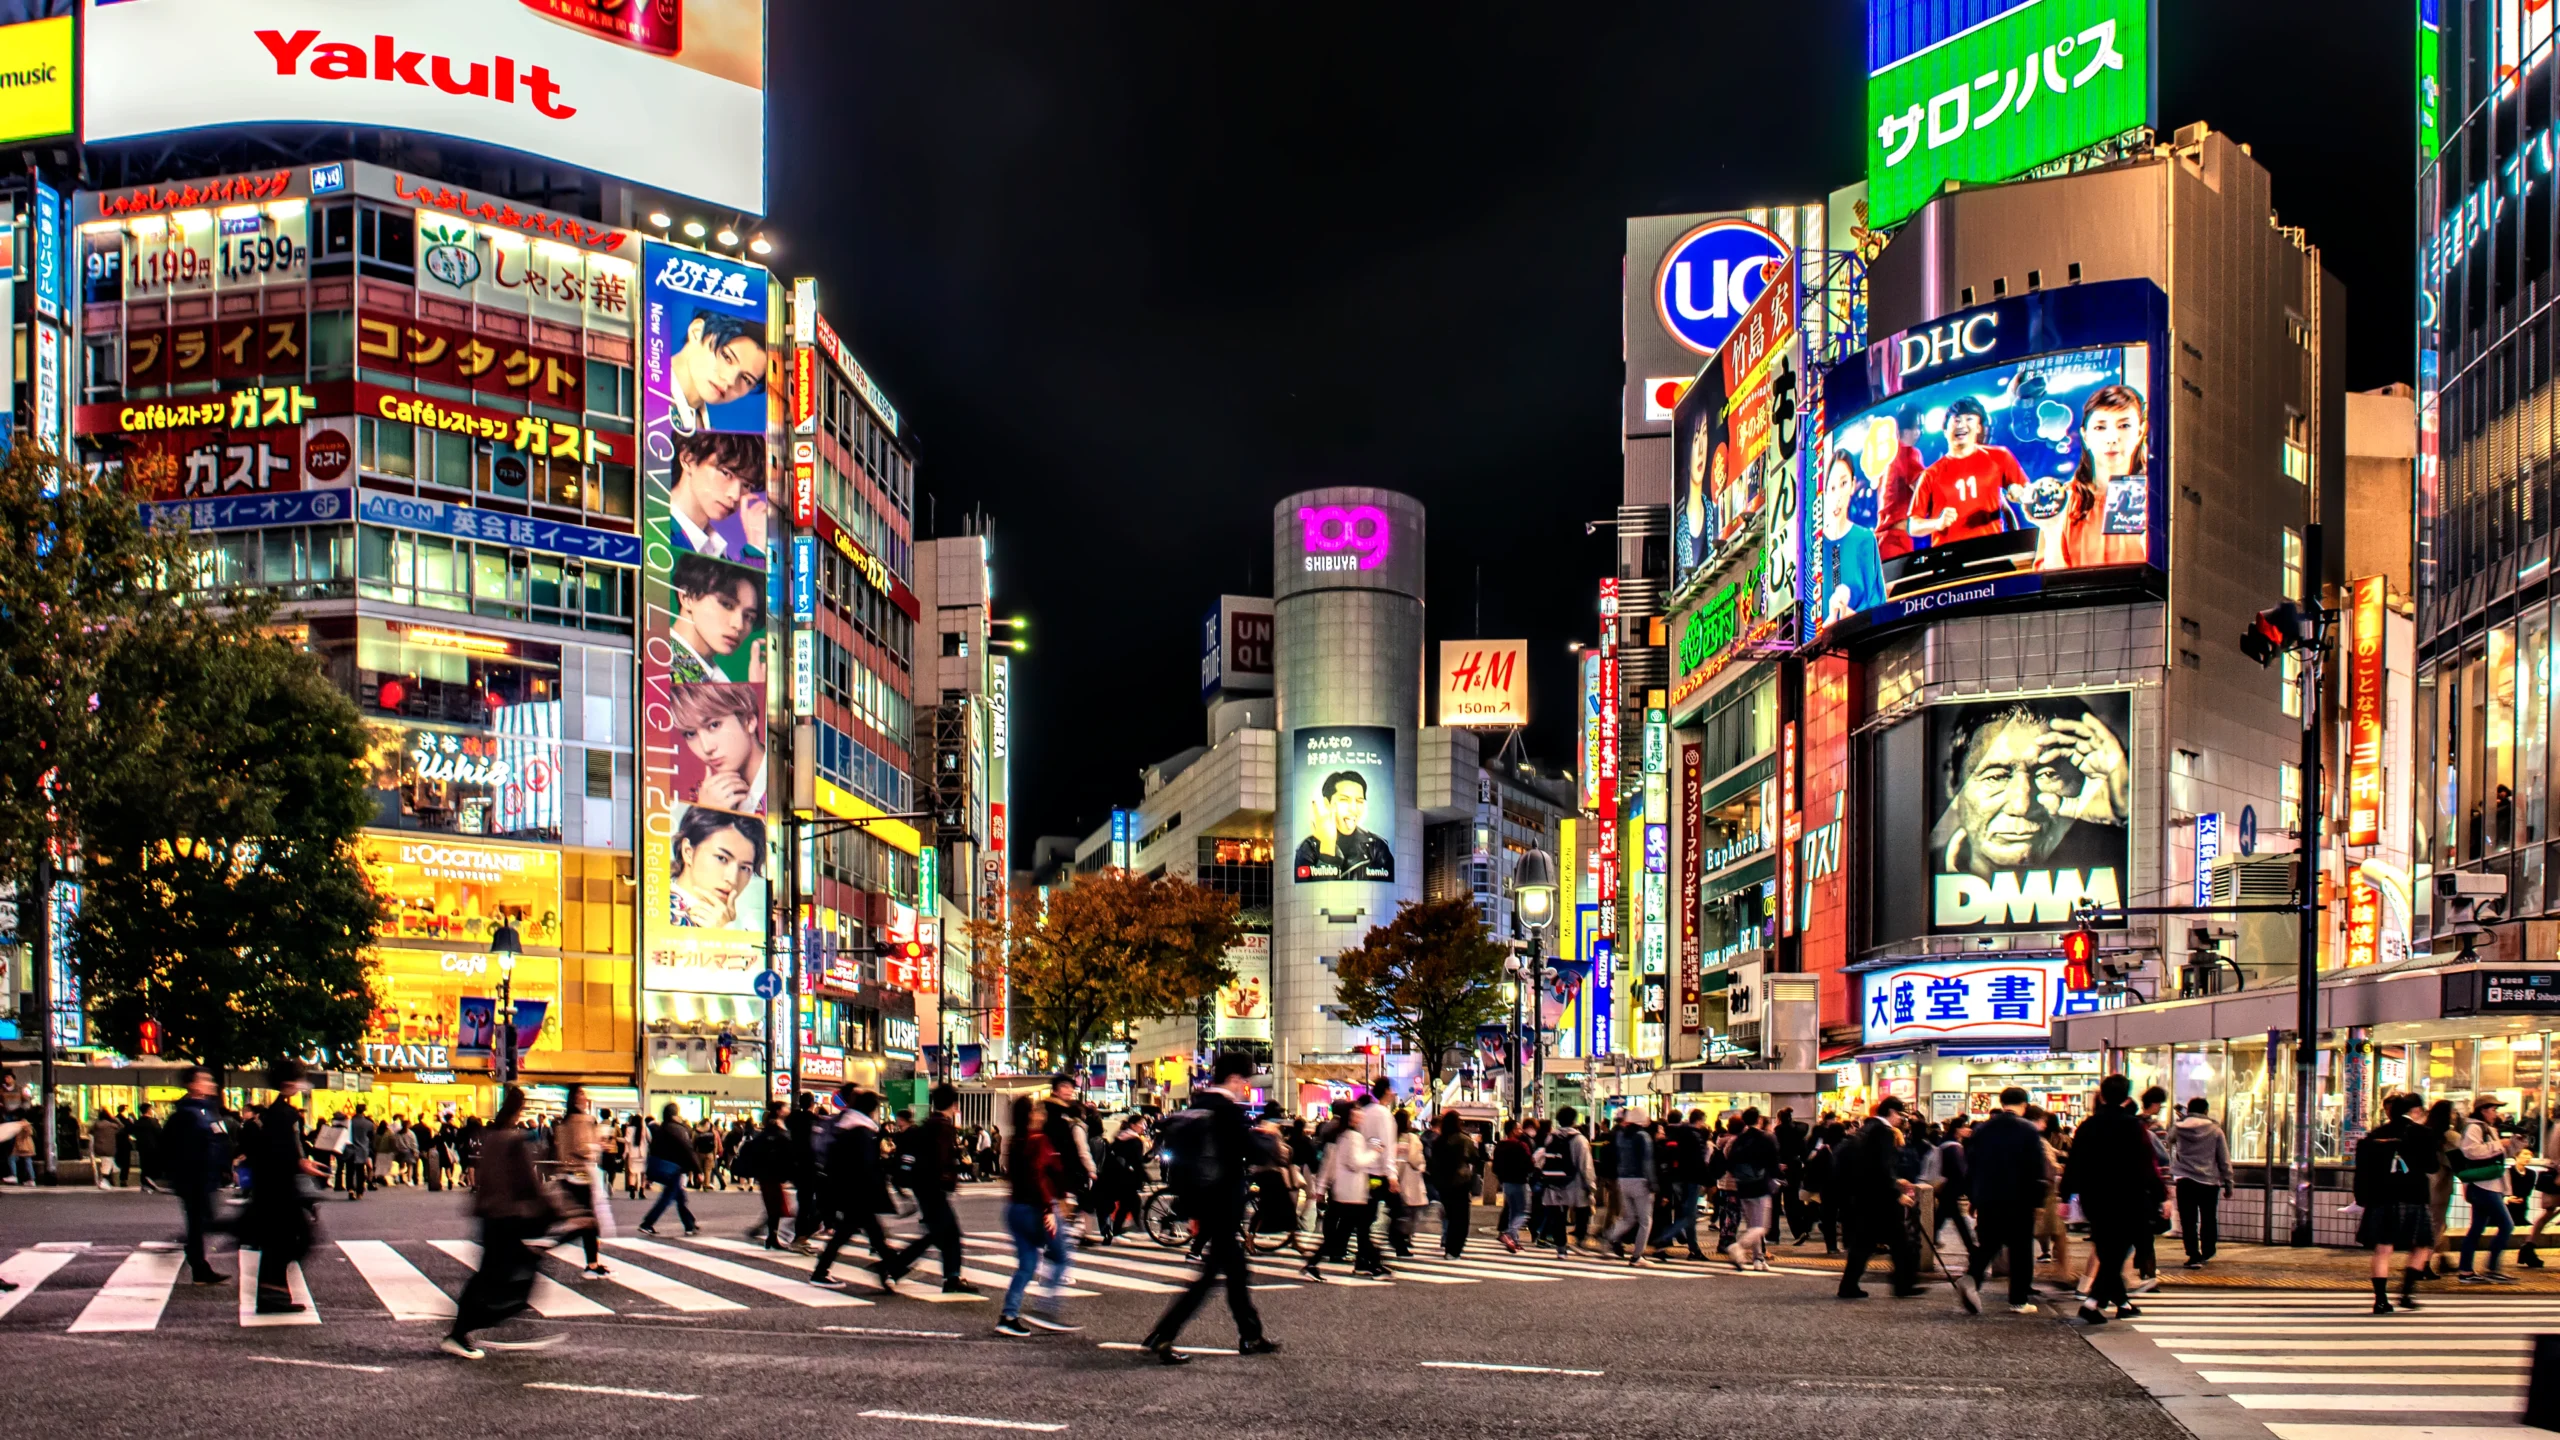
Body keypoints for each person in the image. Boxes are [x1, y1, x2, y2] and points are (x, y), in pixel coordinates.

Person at [1138, 1050, 1281, 1364]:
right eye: (1245, 1080)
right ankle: (1164, 1334)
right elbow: (1250, 1150)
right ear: (1233, 1078)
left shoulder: (1198, 1104)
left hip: (1202, 1199)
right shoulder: (1225, 1110)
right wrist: (1269, 1139)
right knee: (1212, 1276)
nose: (1246, 1086)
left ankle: (1250, 1334)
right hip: (1223, 1200)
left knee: (1234, 1271)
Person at [1933, 700, 2131, 882]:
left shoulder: (2124, 864)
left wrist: (2128, 815)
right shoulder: (1912, 884)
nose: (2022, 806)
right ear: (1953, 783)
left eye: (2049, 774)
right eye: (1996, 777)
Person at [441, 1086, 564, 1360]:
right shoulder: (513, 1141)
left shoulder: (492, 1138)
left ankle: (460, 1330)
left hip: (490, 1216)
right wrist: (553, 1209)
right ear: (519, 1110)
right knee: (514, 1275)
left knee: (488, 1274)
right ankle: (464, 1329)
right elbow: (528, 1183)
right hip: (509, 1218)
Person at [2060, 1074, 2166, 1325]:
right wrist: (2161, 1195)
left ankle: (2123, 1303)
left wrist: (2066, 1195)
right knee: (2118, 1251)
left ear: (2102, 1096)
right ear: (2127, 1097)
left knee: (2108, 1250)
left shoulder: (2088, 1125)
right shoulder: (2133, 1126)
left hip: (2094, 1197)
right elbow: (2146, 1164)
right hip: (2127, 1196)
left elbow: (2075, 1163)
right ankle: (2092, 1301)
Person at [2036, 384, 2150, 571]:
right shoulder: (2062, 500)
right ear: (2085, 436)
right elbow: (2051, 583)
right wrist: (2052, 531)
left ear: (2140, 432)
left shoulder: (2157, 497)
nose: (2112, 438)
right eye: (2100, 427)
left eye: (2124, 426)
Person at [1957, 1087, 2049, 1316]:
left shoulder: (1983, 1129)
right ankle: (2018, 1299)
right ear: (2024, 1105)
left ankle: (1972, 1278)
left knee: (1989, 1243)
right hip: (2019, 1197)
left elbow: (1971, 1165)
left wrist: (1973, 1197)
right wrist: (2038, 1200)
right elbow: (2035, 1166)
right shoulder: (2027, 1129)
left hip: (1988, 1196)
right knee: (2020, 1248)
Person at [245, 1059, 326, 1315]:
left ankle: (272, 1294)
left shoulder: (274, 1113)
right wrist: (301, 1164)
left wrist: (301, 1161)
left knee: (279, 1241)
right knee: (295, 1239)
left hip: (272, 1187)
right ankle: (272, 1294)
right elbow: (282, 1152)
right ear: (289, 1083)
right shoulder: (286, 1115)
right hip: (280, 1189)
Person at [995, 1095, 1079, 1338]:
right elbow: (1042, 1176)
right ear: (1030, 1115)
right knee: (1061, 1257)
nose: (1042, 1116)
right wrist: (1049, 1210)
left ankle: (1008, 1315)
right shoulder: (1039, 1141)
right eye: (1038, 1112)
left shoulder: (1014, 1141)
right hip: (1037, 1210)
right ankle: (1046, 1311)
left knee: (1027, 1265)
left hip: (1014, 1210)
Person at [879, 1084, 975, 1295]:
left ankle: (951, 1277)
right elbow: (941, 1158)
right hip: (934, 1187)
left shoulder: (927, 1124)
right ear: (954, 1104)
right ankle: (894, 1268)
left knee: (943, 1233)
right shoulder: (944, 1126)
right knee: (942, 1233)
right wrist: (949, 1177)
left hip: (923, 1186)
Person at [2355, 1092, 2438, 1313]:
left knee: (2383, 1248)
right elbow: (2432, 1166)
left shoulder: (2376, 1134)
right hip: (2414, 1196)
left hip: (2381, 1197)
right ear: (2416, 1111)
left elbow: (2363, 1169)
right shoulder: (2424, 1134)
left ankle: (2380, 1300)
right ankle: (2406, 1293)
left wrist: (2362, 1197)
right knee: (2421, 1245)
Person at [1906, 396, 2025, 545]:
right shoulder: (1930, 474)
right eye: (1956, 420)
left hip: (1993, 552)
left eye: (1969, 419)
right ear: (1944, 430)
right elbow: (1913, 525)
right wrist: (1937, 523)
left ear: (1979, 427)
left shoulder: (2000, 456)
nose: (1962, 425)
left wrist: (2020, 494)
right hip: (1950, 559)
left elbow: (2026, 493)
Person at [1835, 1097, 1921, 1299]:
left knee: (1863, 1243)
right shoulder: (1882, 1132)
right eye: (1901, 1115)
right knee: (1900, 1242)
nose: (1902, 1120)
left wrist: (1895, 1181)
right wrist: (1896, 1192)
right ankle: (1903, 1285)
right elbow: (1880, 1166)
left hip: (1864, 1196)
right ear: (1891, 1112)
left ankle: (1849, 1285)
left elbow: (1869, 1164)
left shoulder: (1866, 1128)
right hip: (1881, 1198)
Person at [810, 1087, 896, 1287]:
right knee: (866, 1234)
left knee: (861, 1233)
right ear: (872, 1111)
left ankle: (891, 1267)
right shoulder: (862, 1132)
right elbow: (866, 1165)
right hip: (859, 1192)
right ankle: (892, 1267)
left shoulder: (846, 1126)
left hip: (848, 1190)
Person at [163, 1067, 231, 1286]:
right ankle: (198, 1264)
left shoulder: (208, 1110)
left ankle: (197, 1262)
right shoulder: (187, 1114)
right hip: (194, 1177)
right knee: (201, 1221)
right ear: (192, 1085)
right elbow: (181, 1148)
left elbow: (219, 1140)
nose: (211, 1084)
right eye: (205, 1080)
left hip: (206, 1175)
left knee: (202, 1221)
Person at [667, 552, 770, 687]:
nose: (738, 625)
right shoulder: (665, 666)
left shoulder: (711, 674)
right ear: (687, 597)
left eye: (749, 617)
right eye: (726, 605)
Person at [667, 430, 769, 563]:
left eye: (746, 485)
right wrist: (755, 552)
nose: (735, 495)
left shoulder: (716, 548)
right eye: (726, 473)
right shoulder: (660, 533)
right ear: (688, 459)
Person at [665, 308, 771, 432]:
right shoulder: (647, 393)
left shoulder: (706, 428)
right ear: (697, 332)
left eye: (746, 379)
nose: (731, 380)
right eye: (726, 357)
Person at [672, 683, 768, 815]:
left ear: (749, 720)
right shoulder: (705, 799)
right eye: (691, 734)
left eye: (714, 725)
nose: (706, 748)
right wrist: (706, 815)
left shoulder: (792, 779)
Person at [2455, 1096, 2523, 1283]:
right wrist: (2499, 1144)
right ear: (2483, 1110)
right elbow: (2471, 1151)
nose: (2496, 1113)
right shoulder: (2475, 1127)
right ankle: (2490, 1268)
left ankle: (2466, 1271)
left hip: (2489, 1184)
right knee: (2506, 1225)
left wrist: (2516, 1143)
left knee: (2476, 1228)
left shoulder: (2487, 1128)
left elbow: (2500, 1154)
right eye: (2493, 1109)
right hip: (2483, 1185)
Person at [1817, 448, 1887, 624]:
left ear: (1853, 485)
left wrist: (1844, 614)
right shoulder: (1814, 548)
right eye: (1832, 487)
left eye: (1843, 484)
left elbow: (1877, 608)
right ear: (1824, 492)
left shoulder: (1865, 539)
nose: (1838, 495)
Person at [669, 805, 766, 929]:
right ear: (688, 852)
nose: (732, 879)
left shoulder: (746, 924)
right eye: (722, 858)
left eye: (744, 868)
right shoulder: (656, 910)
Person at [1292, 770, 1394, 882]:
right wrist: (1327, 847)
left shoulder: (1377, 847)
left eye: (1359, 801)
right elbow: (1312, 896)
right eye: (1344, 800)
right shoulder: (1308, 848)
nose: (1353, 809)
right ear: (1327, 803)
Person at [2170, 1096, 2233, 1269]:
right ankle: (2207, 1250)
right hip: (2208, 1182)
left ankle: (2193, 1254)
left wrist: (2183, 1119)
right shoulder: (2215, 1130)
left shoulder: (2179, 1127)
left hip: (2185, 1181)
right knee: (2208, 1218)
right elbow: (2223, 1158)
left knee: (2188, 1220)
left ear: (2189, 1110)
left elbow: (2169, 1139)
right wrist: (2228, 1182)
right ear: (2206, 1111)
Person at [1725, 1108, 1780, 1271]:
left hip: (1742, 1186)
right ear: (1759, 1120)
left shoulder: (1739, 1140)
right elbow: (1773, 1162)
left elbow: (1730, 1161)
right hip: (1760, 1185)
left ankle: (1758, 1259)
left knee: (1752, 1224)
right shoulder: (1766, 1138)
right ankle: (1739, 1247)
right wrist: (1778, 1178)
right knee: (1762, 1226)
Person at [637, 1103, 700, 1236]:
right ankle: (648, 1223)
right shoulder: (677, 1129)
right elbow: (688, 1150)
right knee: (667, 1198)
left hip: (658, 1167)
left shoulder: (661, 1129)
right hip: (672, 1169)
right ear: (675, 1115)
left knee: (679, 1196)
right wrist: (697, 1170)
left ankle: (690, 1223)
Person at [1426, 1111, 1481, 1258]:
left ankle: (1448, 1246)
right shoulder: (1464, 1139)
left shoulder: (1439, 1141)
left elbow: (1433, 1163)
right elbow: (1475, 1158)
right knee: (1461, 1218)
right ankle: (1454, 1249)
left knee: (1449, 1216)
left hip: (1443, 1184)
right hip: (1460, 1183)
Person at [1607, 1108, 1657, 1265]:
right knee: (1645, 1220)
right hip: (1640, 1180)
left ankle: (1611, 1237)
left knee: (1628, 1217)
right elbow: (1647, 1162)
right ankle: (1637, 1256)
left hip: (1623, 1180)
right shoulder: (1643, 1137)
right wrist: (1653, 1183)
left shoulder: (1621, 1135)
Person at [1490, 1118, 1534, 1253]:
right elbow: (1530, 1164)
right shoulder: (1521, 1146)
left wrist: (1502, 1177)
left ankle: (1514, 1241)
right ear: (1513, 1131)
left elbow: (1494, 1167)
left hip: (1506, 1183)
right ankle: (1509, 1234)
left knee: (1513, 1212)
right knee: (1524, 1212)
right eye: (1518, 1128)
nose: (1521, 1131)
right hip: (1520, 1182)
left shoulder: (1500, 1145)